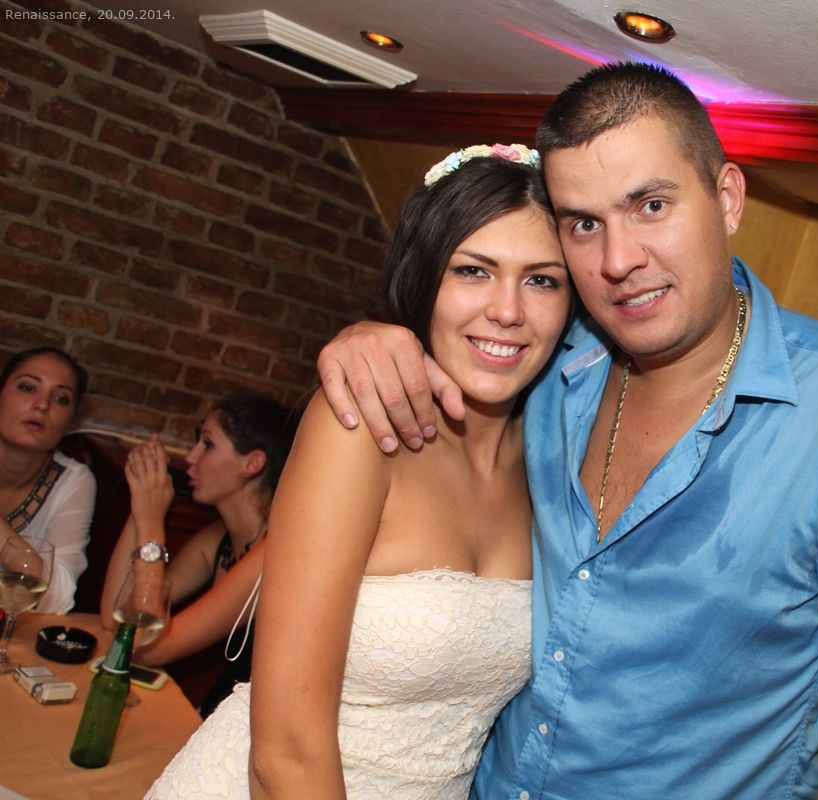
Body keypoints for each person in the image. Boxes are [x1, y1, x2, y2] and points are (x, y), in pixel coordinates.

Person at [318, 62, 818, 799]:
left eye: (651, 205)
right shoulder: (551, 361)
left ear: (727, 199)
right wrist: (373, 337)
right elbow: (466, 333)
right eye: (584, 224)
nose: (618, 260)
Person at [145, 144, 571, 800]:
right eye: (473, 271)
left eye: (542, 280)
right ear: (425, 279)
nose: (508, 310)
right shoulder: (361, 427)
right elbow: (285, 751)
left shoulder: (555, 457)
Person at [99, 393, 297, 716]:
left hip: (260, 722)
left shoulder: (275, 552)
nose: (191, 457)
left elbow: (149, 648)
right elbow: (116, 618)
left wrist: (151, 522)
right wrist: (141, 506)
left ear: (252, 463)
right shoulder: (217, 540)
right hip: (225, 709)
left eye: (207, 444)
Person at [0, 347, 95, 614]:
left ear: (71, 422)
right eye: (27, 388)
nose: (42, 405)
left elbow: (57, 600)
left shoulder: (73, 482)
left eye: (61, 399)